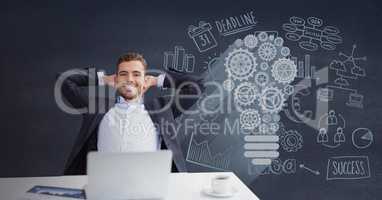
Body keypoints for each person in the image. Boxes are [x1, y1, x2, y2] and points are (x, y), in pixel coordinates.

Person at [59, 52, 203, 175]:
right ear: (116, 79)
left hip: (149, 185)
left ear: (144, 79)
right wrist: (102, 78)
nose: (129, 79)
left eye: (136, 74)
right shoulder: (97, 107)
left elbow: (197, 87)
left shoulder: (162, 108)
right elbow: (65, 81)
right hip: (105, 186)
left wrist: (158, 80)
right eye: (123, 74)